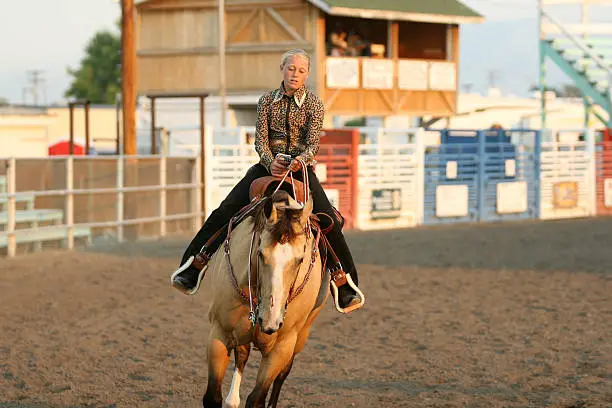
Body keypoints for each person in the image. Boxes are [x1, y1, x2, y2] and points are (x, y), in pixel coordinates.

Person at [170, 49, 363, 312]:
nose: (295, 74)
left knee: (327, 219)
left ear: (307, 74)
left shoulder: (314, 105)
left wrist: (300, 160)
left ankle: (344, 282)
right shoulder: (266, 101)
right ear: (282, 68)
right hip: (267, 167)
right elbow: (260, 139)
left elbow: (313, 143)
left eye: (301, 70)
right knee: (225, 209)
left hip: (300, 169)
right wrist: (270, 160)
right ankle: (194, 265)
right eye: (291, 68)